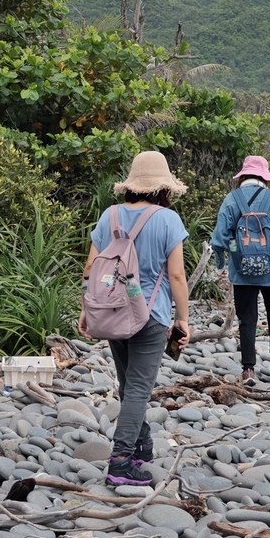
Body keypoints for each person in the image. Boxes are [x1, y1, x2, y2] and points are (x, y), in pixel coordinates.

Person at [78, 151, 191, 487]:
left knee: (128, 385)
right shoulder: (168, 220)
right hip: (150, 315)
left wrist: (86, 309)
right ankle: (122, 461)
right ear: (163, 188)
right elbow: (177, 276)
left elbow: (90, 268)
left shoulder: (109, 216)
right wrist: (183, 319)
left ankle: (142, 446)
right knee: (139, 388)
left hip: (112, 310)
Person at [211, 156, 270, 384]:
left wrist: (221, 266)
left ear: (242, 176)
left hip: (241, 271)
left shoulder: (232, 199)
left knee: (247, 319)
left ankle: (248, 369)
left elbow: (219, 238)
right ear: (264, 177)